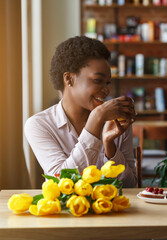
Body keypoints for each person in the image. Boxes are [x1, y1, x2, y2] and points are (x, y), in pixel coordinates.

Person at [25, 36, 137, 187]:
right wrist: (95, 120)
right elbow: (62, 184)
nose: (106, 90)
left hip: (113, 209)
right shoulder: (39, 125)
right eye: (98, 80)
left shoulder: (115, 122)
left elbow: (130, 186)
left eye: (108, 82)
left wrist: (110, 146)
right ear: (69, 79)